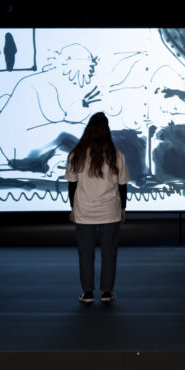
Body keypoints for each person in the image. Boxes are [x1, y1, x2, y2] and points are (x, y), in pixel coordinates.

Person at [65, 112, 130, 303]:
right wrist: (123, 208)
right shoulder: (116, 155)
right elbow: (122, 185)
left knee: (85, 253)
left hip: (84, 210)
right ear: (107, 130)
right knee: (109, 252)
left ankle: (87, 292)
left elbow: (72, 184)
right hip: (110, 210)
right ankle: (107, 292)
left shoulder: (76, 154)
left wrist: (73, 208)